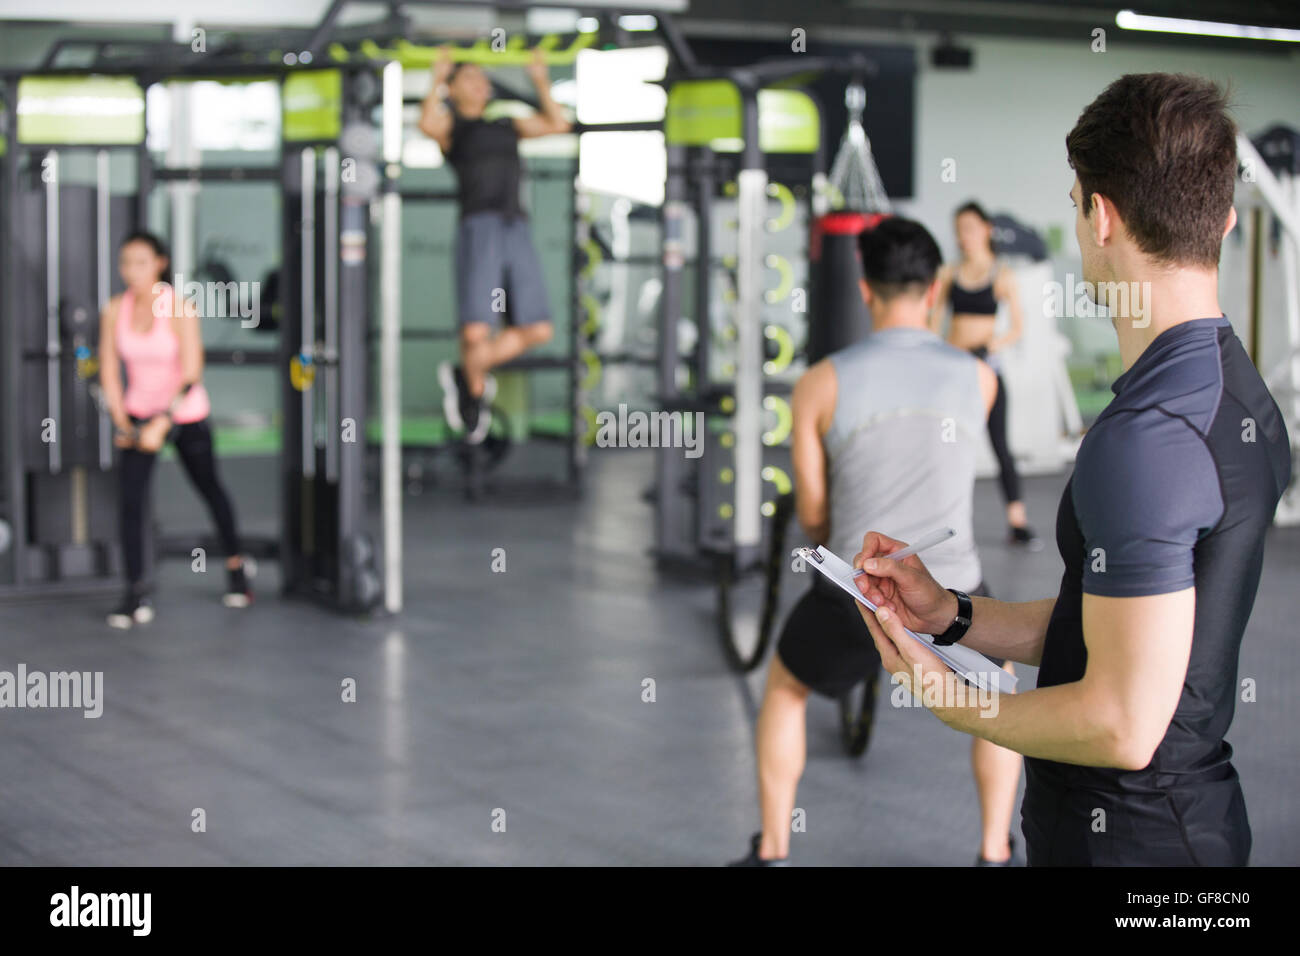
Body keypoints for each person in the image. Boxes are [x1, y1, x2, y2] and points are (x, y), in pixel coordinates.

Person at [853, 73, 1291, 866]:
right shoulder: (1236, 392)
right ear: (1223, 217)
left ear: (1098, 214)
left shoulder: (1147, 437)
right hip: (1185, 831)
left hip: (1131, 841)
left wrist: (955, 701)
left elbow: (1122, 724)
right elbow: (1116, 624)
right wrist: (951, 614)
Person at [729, 218, 1021, 866]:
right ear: (936, 287)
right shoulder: (980, 379)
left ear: (864, 290)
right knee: (999, 693)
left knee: (785, 689)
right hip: (954, 596)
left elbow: (812, 516)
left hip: (856, 596)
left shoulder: (820, 383)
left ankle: (773, 850)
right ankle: (995, 852)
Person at [97, 232, 252, 629]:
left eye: (140, 262)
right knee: (131, 504)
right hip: (137, 414)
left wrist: (162, 422)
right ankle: (136, 592)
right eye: (125, 263)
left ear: (160, 263)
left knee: (210, 489)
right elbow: (110, 372)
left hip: (183, 414)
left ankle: (236, 567)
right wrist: (122, 422)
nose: (131, 271)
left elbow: (191, 373)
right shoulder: (115, 309)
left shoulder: (179, 308)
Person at [418, 47, 569, 444]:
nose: (481, 83)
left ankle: (467, 375)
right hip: (479, 227)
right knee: (474, 333)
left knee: (538, 329)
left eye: (483, 78)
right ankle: (474, 390)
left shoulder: (506, 123)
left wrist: (539, 77)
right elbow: (426, 123)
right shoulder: (454, 130)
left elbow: (558, 123)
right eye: (470, 78)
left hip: (515, 225)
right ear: (453, 88)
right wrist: (436, 77)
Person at [931, 202, 1041, 549]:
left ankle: (1017, 521)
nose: (962, 236)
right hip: (953, 369)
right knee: (947, 446)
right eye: (958, 229)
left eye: (968, 227)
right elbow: (935, 322)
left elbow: (1018, 328)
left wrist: (993, 343)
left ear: (986, 229)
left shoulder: (1001, 274)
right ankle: (941, 522)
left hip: (985, 371)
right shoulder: (949, 273)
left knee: (1000, 446)